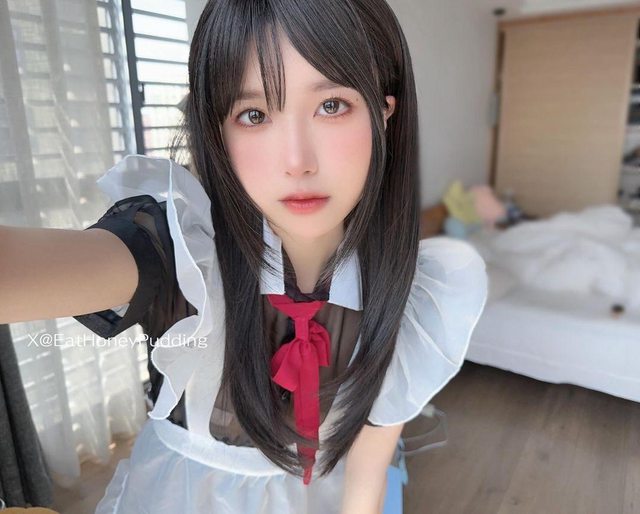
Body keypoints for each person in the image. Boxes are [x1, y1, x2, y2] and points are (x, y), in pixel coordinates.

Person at [0, 0, 489, 512]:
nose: (297, 161)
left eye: (331, 105)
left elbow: (368, 471)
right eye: (254, 115)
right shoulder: (183, 254)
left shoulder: (419, 290)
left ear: (384, 113)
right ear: (218, 130)